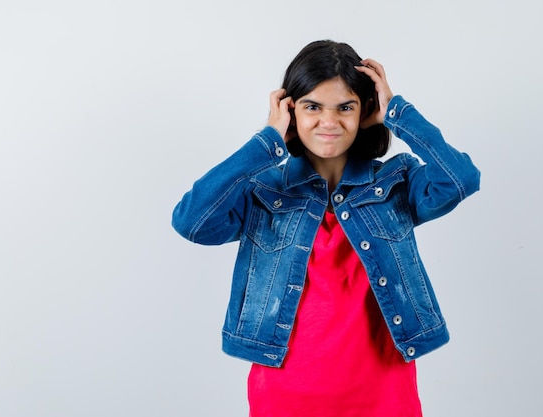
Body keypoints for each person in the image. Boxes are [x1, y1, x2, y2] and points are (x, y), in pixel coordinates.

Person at [171, 40, 480, 416]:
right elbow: (191, 221)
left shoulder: (396, 183)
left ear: (365, 110)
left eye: (345, 107)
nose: (329, 122)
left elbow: (460, 179)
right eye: (312, 107)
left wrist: (398, 112)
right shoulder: (264, 192)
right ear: (290, 110)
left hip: (385, 394)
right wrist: (267, 141)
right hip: (284, 396)